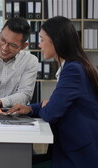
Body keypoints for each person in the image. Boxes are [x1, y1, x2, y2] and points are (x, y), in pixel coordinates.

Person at [7, 16, 98, 167]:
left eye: (42, 40)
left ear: (56, 41)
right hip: (71, 147)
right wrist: (30, 108)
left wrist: (46, 106)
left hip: (78, 155)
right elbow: (53, 105)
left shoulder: (72, 70)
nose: (39, 44)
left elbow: (50, 112)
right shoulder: (69, 66)